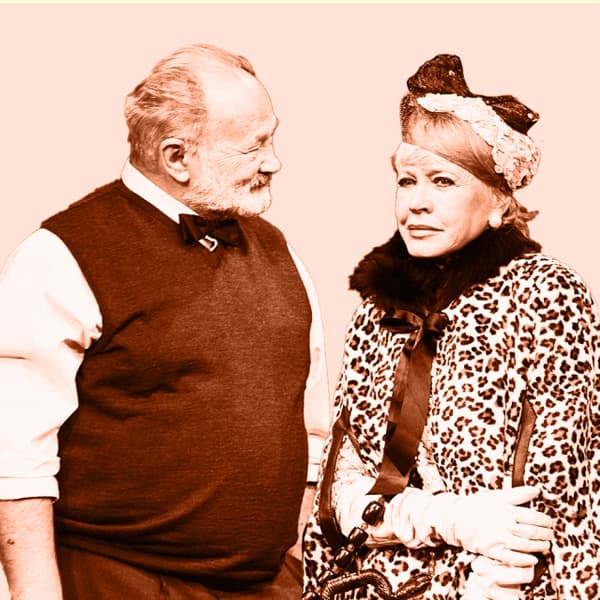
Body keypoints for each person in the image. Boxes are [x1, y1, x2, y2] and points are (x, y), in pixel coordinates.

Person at [0, 43, 330, 599]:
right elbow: (13, 457)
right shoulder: (61, 255)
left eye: (271, 138)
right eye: (253, 146)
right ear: (177, 157)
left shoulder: (280, 252)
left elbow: (312, 429)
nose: (274, 162)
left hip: (264, 585)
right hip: (115, 580)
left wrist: (297, 566)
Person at [303, 54, 599, 599]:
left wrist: (490, 586)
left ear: (499, 202)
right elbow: (338, 481)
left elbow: (557, 493)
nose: (417, 202)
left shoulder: (546, 296)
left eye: (443, 182)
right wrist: (441, 518)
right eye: (407, 180)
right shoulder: (378, 309)